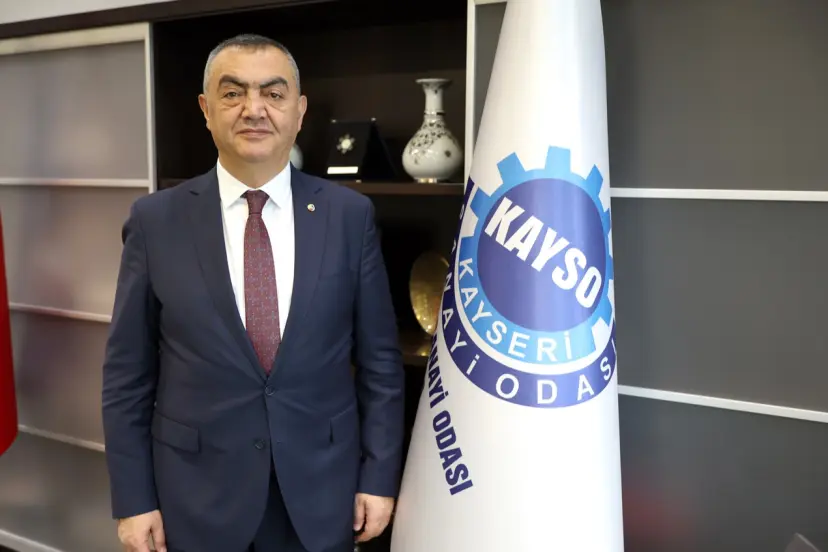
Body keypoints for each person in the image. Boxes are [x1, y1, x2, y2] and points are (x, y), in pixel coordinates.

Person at [101, 34, 405, 552]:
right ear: (206, 109)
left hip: (320, 492)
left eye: (273, 93)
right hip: (194, 498)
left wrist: (378, 477)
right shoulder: (156, 221)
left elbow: (380, 364)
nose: (254, 109)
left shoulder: (349, 217)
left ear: (299, 111)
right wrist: (133, 499)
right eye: (233, 92)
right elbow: (127, 375)